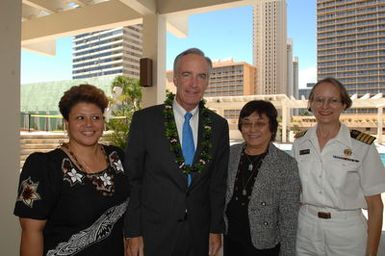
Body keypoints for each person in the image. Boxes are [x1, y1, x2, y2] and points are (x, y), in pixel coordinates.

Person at [123, 48, 230, 256]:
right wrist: (133, 232)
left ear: (207, 81)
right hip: (154, 233)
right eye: (186, 74)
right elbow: (133, 181)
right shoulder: (145, 121)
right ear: (175, 78)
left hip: (199, 233)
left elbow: (218, 184)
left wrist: (216, 228)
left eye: (202, 76)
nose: (194, 83)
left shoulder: (218, 126)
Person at [14, 84, 129, 255]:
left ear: (103, 121)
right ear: (66, 123)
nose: (89, 124)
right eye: (80, 118)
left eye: (96, 117)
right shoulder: (43, 167)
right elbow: (32, 233)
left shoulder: (117, 157)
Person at [293, 77, 385, 256]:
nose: (325, 106)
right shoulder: (300, 143)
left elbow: (375, 205)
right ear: (311, 104)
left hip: (347, 232)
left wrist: (372, 253)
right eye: (319, 100)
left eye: (333, 100)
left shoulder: (361, 145)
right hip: (306, 230)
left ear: (344, 105)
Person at [224, 100, 301, 256]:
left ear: (272, 128)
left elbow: (289, 217)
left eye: (260, 124)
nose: (252, 129)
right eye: (246, 123)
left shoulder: (285, 164)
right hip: (229, 240)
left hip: (264, 246)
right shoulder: (229, 155)